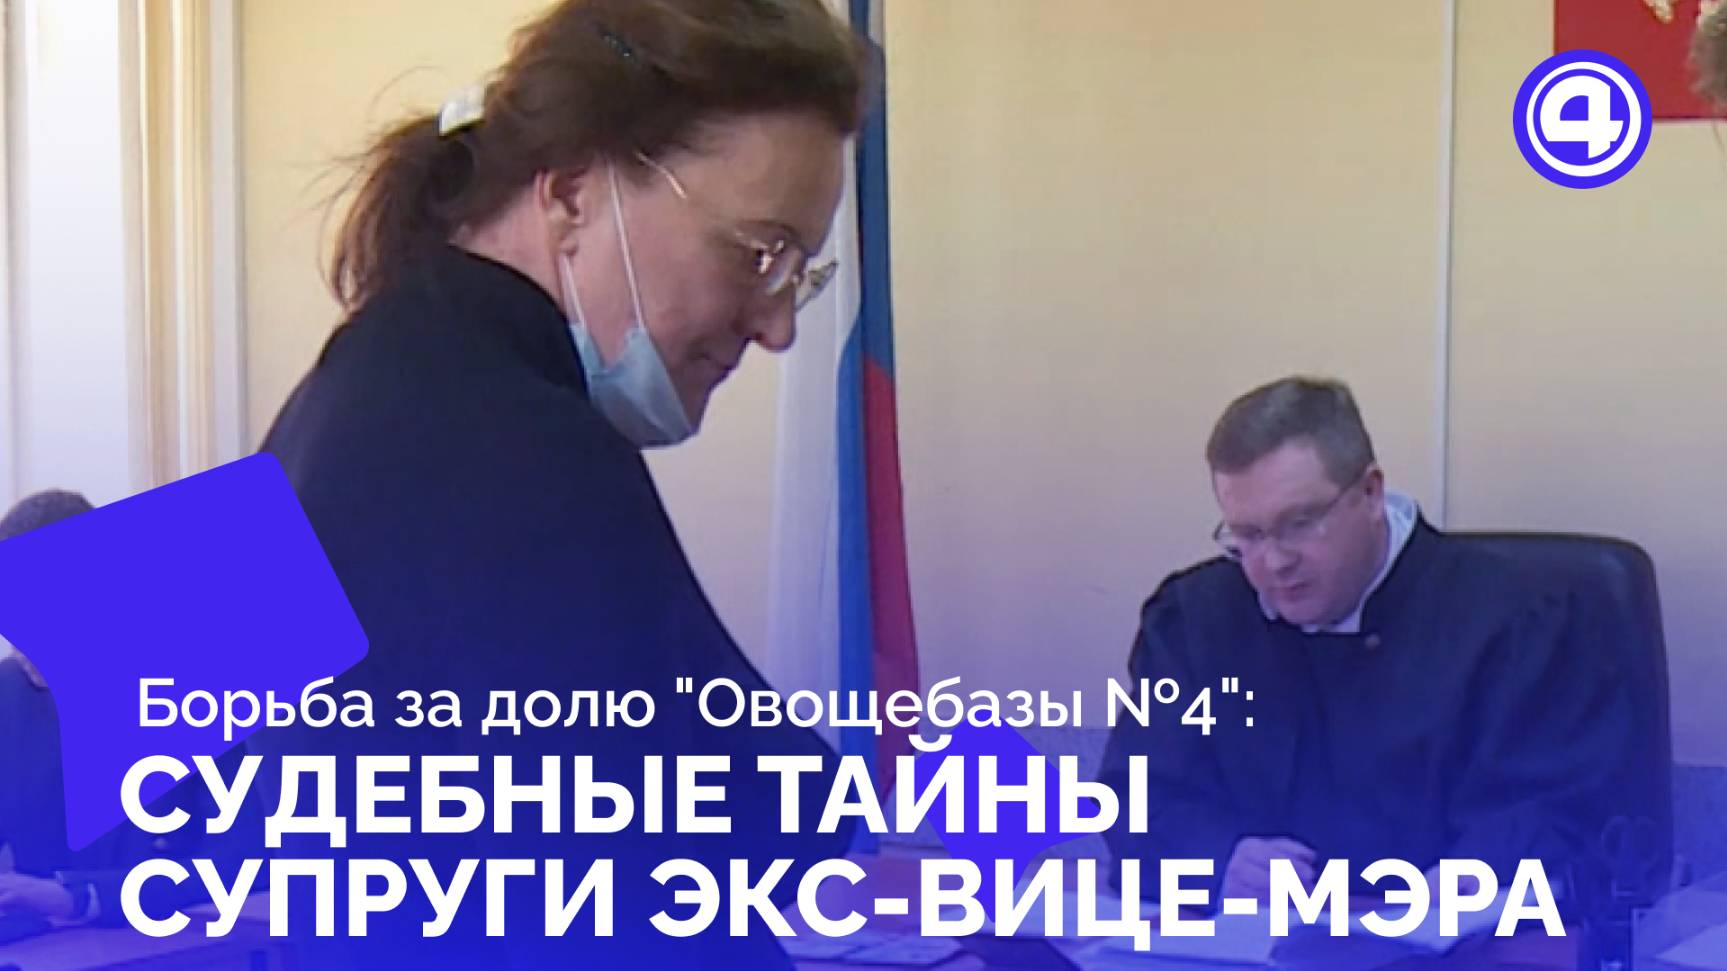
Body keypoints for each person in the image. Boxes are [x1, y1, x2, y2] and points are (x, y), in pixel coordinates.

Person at [253, 1, 870, 966]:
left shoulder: (349, 387)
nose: (777, 323)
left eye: (799, 273)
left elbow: (159, 757)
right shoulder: (511, 439)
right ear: (574, 193)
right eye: (757, 253)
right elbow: (776, 814)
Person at [1097, 377, 1629, 905]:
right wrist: (1217, 863)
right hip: (1247, 938)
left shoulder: (1515, 619)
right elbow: (1137, 799)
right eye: (1248, 535)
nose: (1275, 561)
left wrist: (1478, 872)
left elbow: (1559, 809)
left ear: (1370, 493)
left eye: (1299, 523)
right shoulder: (1194, 620)